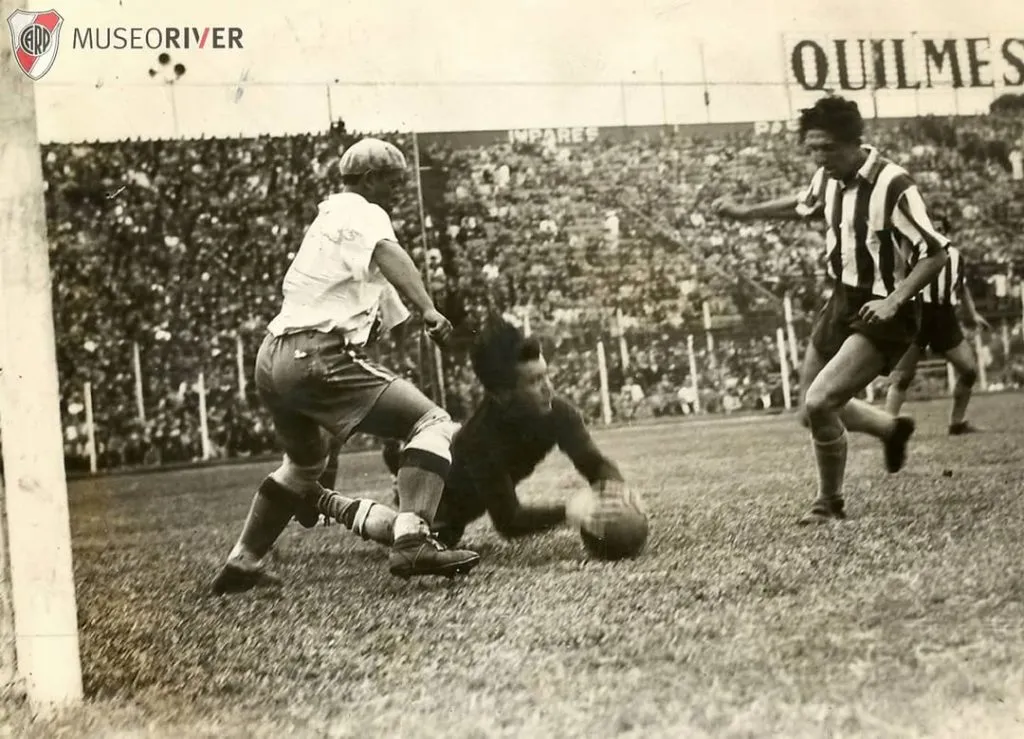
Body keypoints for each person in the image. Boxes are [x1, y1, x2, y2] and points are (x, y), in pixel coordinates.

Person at [211, 137, 480, 594]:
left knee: (302, 466)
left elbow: (379, 308)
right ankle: (414, 539)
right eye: (394, 183)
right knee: (431, 421)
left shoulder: (328, 221)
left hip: (271, 356)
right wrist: (430, 311)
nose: (398, 192)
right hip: (313, 355)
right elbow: (390, 257)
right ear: (371, 180)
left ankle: (242, 562)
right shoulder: (365, 212)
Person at [712, 95, 951, 525]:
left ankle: (829, 504)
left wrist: (893, 300)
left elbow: (935, 254)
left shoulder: (893, 184)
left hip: (886, 308)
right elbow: (802, 204)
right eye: (812, 149)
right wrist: (745, 212)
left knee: (822, 402)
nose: (820, 158)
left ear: (853, 142)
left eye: (827, 149)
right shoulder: (828, 177)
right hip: (842, 300)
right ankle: (890, 428)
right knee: (810, 410)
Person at [376, 318, 628, 547]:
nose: (548, 388)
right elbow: (509, 521)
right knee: (433, 538)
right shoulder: (478, 440)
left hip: (456, 461)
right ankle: (401, 477)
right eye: (534, 381)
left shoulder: (559, 412)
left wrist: (613, 488)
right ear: (501, 394)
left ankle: (400, 463)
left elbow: (593, 463)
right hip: (441, 500)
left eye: (545, 375)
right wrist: (571, 510)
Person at [885, 244, 990, 432]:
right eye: (934, 226)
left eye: (941, 228)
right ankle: (886, 427)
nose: (936, 231)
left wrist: (973, 314)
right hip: (918, 311)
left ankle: (957, 423)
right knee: (902, 376)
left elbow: (962, 287)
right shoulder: (912, 250)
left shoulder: (956, 255)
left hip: (944, 315)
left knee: (969, 370)